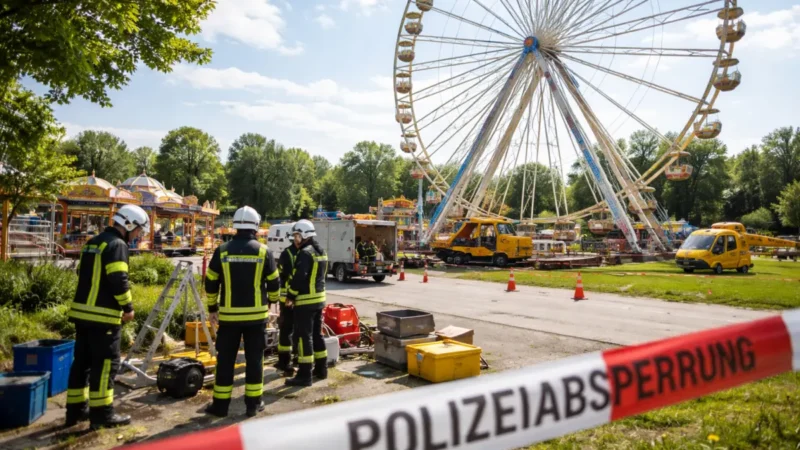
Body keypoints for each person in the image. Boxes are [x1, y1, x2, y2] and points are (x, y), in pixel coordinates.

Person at [65, 204, 149, 429]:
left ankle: (75, 412)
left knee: (81, 363)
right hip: (104, 318)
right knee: (105, 365)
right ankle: (102, 415)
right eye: (139, 230)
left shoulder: (94, 242)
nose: (139, 235)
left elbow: (82, 273)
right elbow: (118, 278)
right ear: (129, 224)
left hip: (82, 314)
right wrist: (128, 307)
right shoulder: (117, 245)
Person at [204, 206, 280, 418]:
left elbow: (210, 281)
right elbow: (274, 283)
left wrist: (212, 308)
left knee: (225, 360)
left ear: (235, 226)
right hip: (256, 318)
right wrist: (273, 301)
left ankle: (220, 406)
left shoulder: (222, 250)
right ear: (255, 226)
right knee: (255, 360)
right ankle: (253, 405)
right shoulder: (264, 252)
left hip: (228, 318)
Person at [285, 220, 328, 387]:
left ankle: (304, 375)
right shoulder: (321, 251)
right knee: (318, 335)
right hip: (319, 300)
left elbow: (299, 277)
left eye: (296, 235)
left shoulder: (305, 253)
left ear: (303, 235)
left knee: (304, 338)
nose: (295, 239)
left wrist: (290, 295)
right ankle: (321, 369)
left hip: (305, 301)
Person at [275, 235, 300, 376]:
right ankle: (284, 362)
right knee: (286, 330)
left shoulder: (304, 252)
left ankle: (296, 359)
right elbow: (285, 275)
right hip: (287, 299)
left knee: (298, 330)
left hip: (299, 298)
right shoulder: (287, 254)